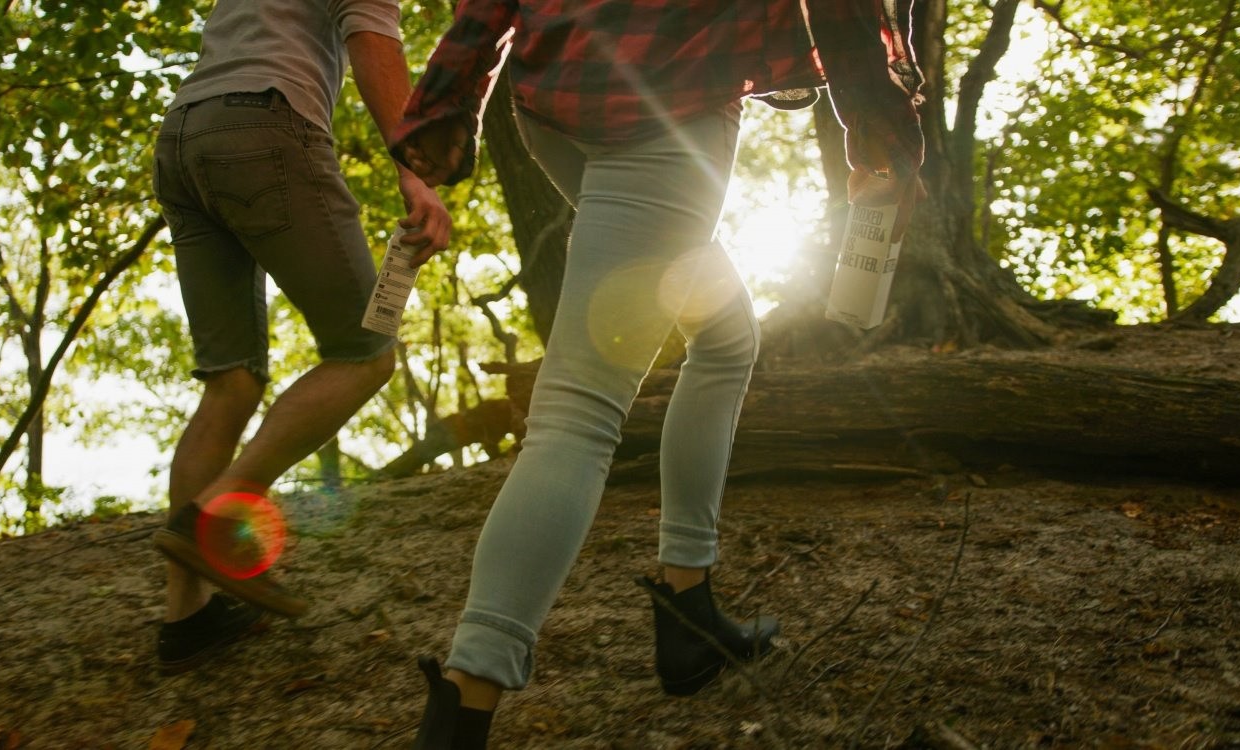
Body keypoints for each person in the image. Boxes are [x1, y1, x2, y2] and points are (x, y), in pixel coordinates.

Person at [389, 0, 925, 746]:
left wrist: (445, 99)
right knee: (578, 415)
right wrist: (879, 122)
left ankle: (689, 615)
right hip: (669, 101)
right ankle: (464, 706)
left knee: (727, 338)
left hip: (553, 94)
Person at [147, 0, 451, 676]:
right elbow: (373, 44)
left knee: (231, 379)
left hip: (183, 138)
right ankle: (215, 518)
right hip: (267, 126)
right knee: (366, 352)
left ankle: (186, 620)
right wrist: (415, 173)